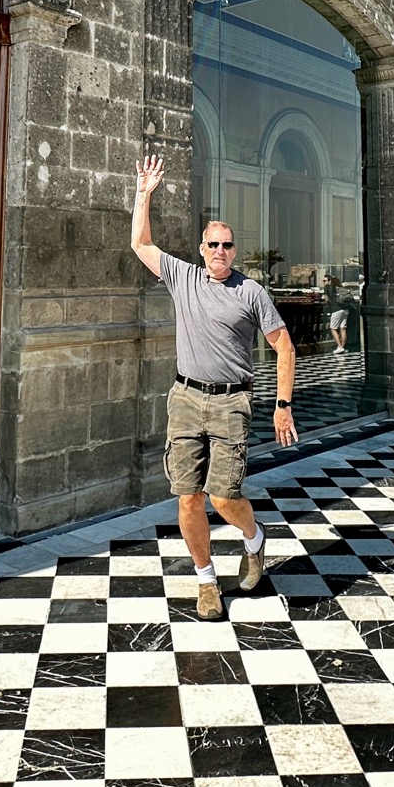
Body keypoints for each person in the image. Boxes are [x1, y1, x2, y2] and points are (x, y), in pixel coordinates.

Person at [131, 156, 296, 622]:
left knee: (223, 497)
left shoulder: (251, 293)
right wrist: (144, 194)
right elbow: (140, 243)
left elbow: (285, 348)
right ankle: (206, 581)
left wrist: (283, 406)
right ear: (201, 249)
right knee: (187, 496)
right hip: (185, 398)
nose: (220, 250)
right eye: (213, 244)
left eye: (227, 245)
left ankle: (254, 539)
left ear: (234, 251)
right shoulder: (183, 276)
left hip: (231, 402)